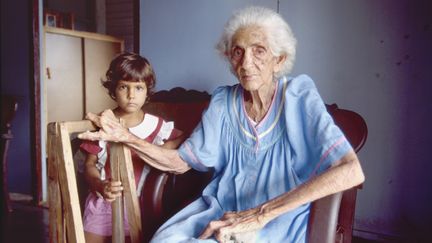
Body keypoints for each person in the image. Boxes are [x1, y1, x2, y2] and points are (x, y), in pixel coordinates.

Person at [79, 6, 365, 243]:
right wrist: (126, 137)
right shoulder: (223, 101)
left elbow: (350, 171)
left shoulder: (299, 96)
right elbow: (180, 162)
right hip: (222, 207)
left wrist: (259, 215)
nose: (246, 62)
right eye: (237, 52)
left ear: (279, 60)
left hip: (280, 215)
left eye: (259, 51)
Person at [80, 52, 183, 243]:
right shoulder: (103, 121)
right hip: (103, 202)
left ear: (147, 91)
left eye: (138, 88)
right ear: (113, 89)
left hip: (138, 204)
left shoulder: (157, 126)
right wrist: (99, 185)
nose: (131, 95)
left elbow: (184, 138)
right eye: (123, 87)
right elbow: (89, 165)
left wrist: (165, 148)